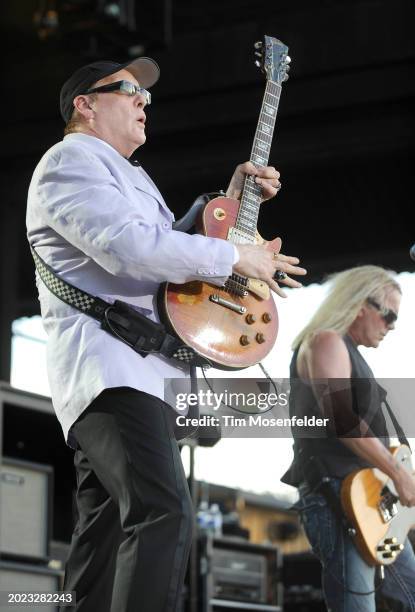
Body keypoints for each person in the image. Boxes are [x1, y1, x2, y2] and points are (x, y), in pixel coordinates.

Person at [26, 57, 306, 612]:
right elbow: (129, 249)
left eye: (145, 95)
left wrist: (230, 203)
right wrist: (235, 255)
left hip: (138, 373)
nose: (143, 101)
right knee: (163, 511)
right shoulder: (70, 160)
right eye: (129, 90)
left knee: (102, 543)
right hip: (113, 371)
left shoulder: (129, 174)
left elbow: (165, 255)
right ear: (85, 104)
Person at [282, 265, 415, 612]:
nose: (392, 326)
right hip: (338, 496)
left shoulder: (351, 353)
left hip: (373, 500)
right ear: (360, 304)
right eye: (388, 315)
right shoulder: (326, 340)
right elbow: (341, 419)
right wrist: (399, 474)